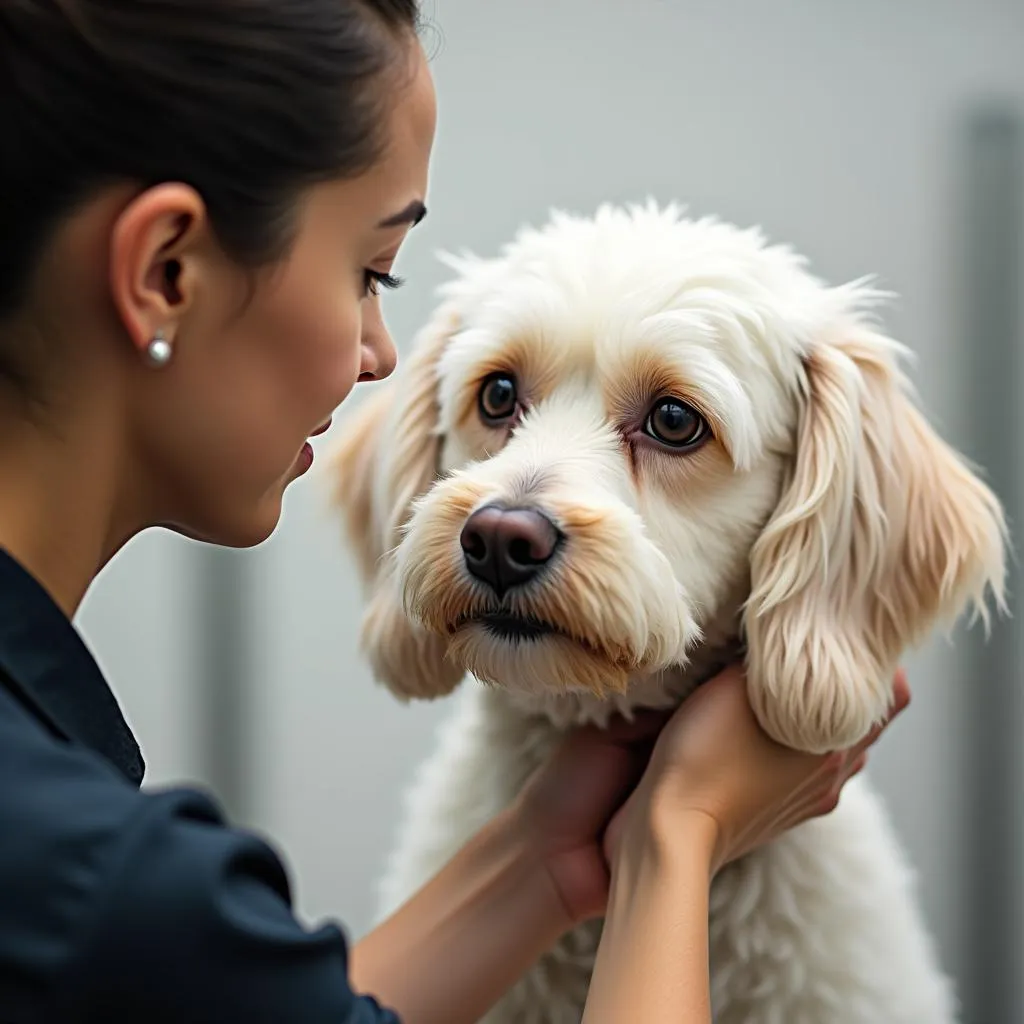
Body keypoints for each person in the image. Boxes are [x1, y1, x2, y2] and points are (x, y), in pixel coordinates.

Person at [0, 2, 911, 1022]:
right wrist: (674, 834)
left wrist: (548, 854)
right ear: (165, 271)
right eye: (369, 271)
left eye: (670, 421)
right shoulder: (95, 881)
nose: (379, 355)